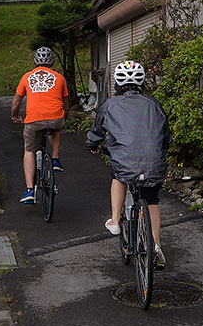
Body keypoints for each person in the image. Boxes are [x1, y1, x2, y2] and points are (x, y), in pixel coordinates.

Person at [87, 59, 170, 267]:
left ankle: (115, 220)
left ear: (117, 83)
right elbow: (165, 137)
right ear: (142, 83)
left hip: (124, 162)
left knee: (118, 176)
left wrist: (93, 144)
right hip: (154, 162)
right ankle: (156, 245)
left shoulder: (110, 105)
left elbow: (97, 132)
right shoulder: (154, 104)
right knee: (151, 198)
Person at [12, 46, 73, 205]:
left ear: (35, 61)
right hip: (55, 118)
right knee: (56, 127)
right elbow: (65, 102)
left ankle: (30, 191)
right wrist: (65, 115)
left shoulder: (26, 77)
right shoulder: (59, 78)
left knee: (29, 150)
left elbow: (17, 101)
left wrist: (15, 116)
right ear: (52, 62)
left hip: (33, 120)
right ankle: (55, 159)